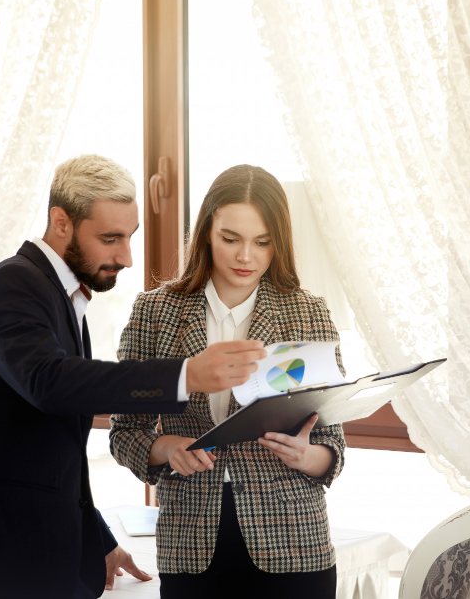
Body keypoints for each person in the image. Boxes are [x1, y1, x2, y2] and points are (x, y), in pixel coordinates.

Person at [0, 155, 267, 599]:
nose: (127, 257)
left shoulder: (60, 298)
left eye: (130, 237)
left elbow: (48, 452)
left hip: (33, 561)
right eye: (110, 238)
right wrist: (185, 375)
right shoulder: (12, 287)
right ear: (61, 222)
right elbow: (52, 384)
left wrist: (96, 539)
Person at [109, 165, 346, 599]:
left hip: (294, 544)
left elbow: (334, 447)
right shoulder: (155, 313)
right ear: (206, 233)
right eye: (230, 239)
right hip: (190, 544)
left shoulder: (308, 313)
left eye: (262, 243)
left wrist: (306, 456)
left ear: (279, 242)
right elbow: (125, 433)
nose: (245, 257)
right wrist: (167, 449)